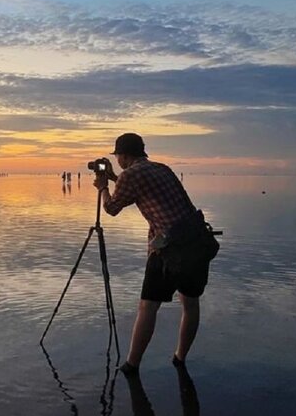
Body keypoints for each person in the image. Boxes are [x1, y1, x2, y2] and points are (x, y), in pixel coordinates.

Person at [93, 133, 219, 374]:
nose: (116, 159)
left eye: (117, 155)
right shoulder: (161, 168)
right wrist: (113, 178)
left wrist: (103, 188)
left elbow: (111, 208)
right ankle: (180, 359)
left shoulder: (130, 175)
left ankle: (132, 365)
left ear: (124, 155)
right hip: (195, 242)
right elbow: (140, 189)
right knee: (190, 304)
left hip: (168, 251)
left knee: (148, 307)